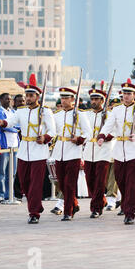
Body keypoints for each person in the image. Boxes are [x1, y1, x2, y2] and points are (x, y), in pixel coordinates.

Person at [0, 84, 56, 224]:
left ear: (38, 97)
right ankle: (37, 205)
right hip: (24, 151)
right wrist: (3, 122)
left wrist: (45, 138)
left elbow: (53, 131)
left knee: (35, 184)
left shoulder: (45, 111)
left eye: (31, 96)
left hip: (39, 152)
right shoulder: (21, 111)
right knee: (24, 183)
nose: (28, 98)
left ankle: (34, 213)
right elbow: (12, 121)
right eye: (27, 96)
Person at [97, 82, 135, 225]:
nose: (126, 96)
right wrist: (102, 135)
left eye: (129, 94)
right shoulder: (117, 110)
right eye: (124, 94)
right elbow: (109, 124)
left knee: (132, 183)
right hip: (119, 149)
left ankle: (129, 212)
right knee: (121, 181)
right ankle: (127, 205)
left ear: (134, 96)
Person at [52, 87, 92, 221]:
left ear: (72, 100)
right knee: (62, 184)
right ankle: (74, 204)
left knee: (69, 184)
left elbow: (88, 132)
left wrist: (79, 139)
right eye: (62, 98)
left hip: (73, 152)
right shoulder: (56, 115)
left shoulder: (80, 114)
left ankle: (68, 211)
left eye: (66, 98)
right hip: (59, 152)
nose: (63, 101)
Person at [83, 88, 113, 218]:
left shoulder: (109, 115)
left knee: (100, 180)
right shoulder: (86, 115)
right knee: (90, 179)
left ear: (102, 100)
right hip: (90, 150)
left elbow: (114, 131)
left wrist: (105, 137)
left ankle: (96, 208)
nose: (94, 101)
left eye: (96, 99)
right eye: (92, 99)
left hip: (104, 151)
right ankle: (102, 200)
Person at [0, 93, 19, 203]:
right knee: (1, 172)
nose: (9, 100)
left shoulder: (13, 112)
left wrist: (12, 127)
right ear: (1, 100)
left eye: (10, 99)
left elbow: (18, 125)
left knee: (12, 172)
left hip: (14, 145)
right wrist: (14, 128)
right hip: (4, 145)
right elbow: (2, 127)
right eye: (6, 99)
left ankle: (9, 194)